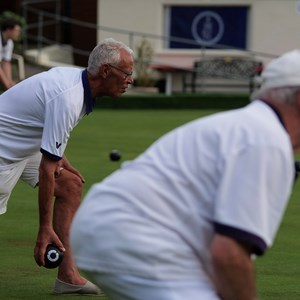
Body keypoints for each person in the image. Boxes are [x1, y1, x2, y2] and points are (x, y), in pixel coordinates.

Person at [70, 49, 300, 300]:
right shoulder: (267, 141)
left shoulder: (250, 127)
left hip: (112, 228)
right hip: (131, 235)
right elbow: (229, 254)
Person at [0, 37, 134, 295]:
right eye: (126, 73)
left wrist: (60, 155)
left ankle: (68, 276)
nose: (130, 80)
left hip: (22, 147)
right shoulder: (69, 98)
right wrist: (44, 228)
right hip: (4, 150)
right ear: (106, 71)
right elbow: (46, 170)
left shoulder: (78, 83)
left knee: (70, 185)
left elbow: (47, 130)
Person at [0, 18, 21, 89]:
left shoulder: (10, 43)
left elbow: (6, 62)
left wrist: (9, 82)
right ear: (9, 30)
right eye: (17, 31)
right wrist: (7, 84)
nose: (18, 33)